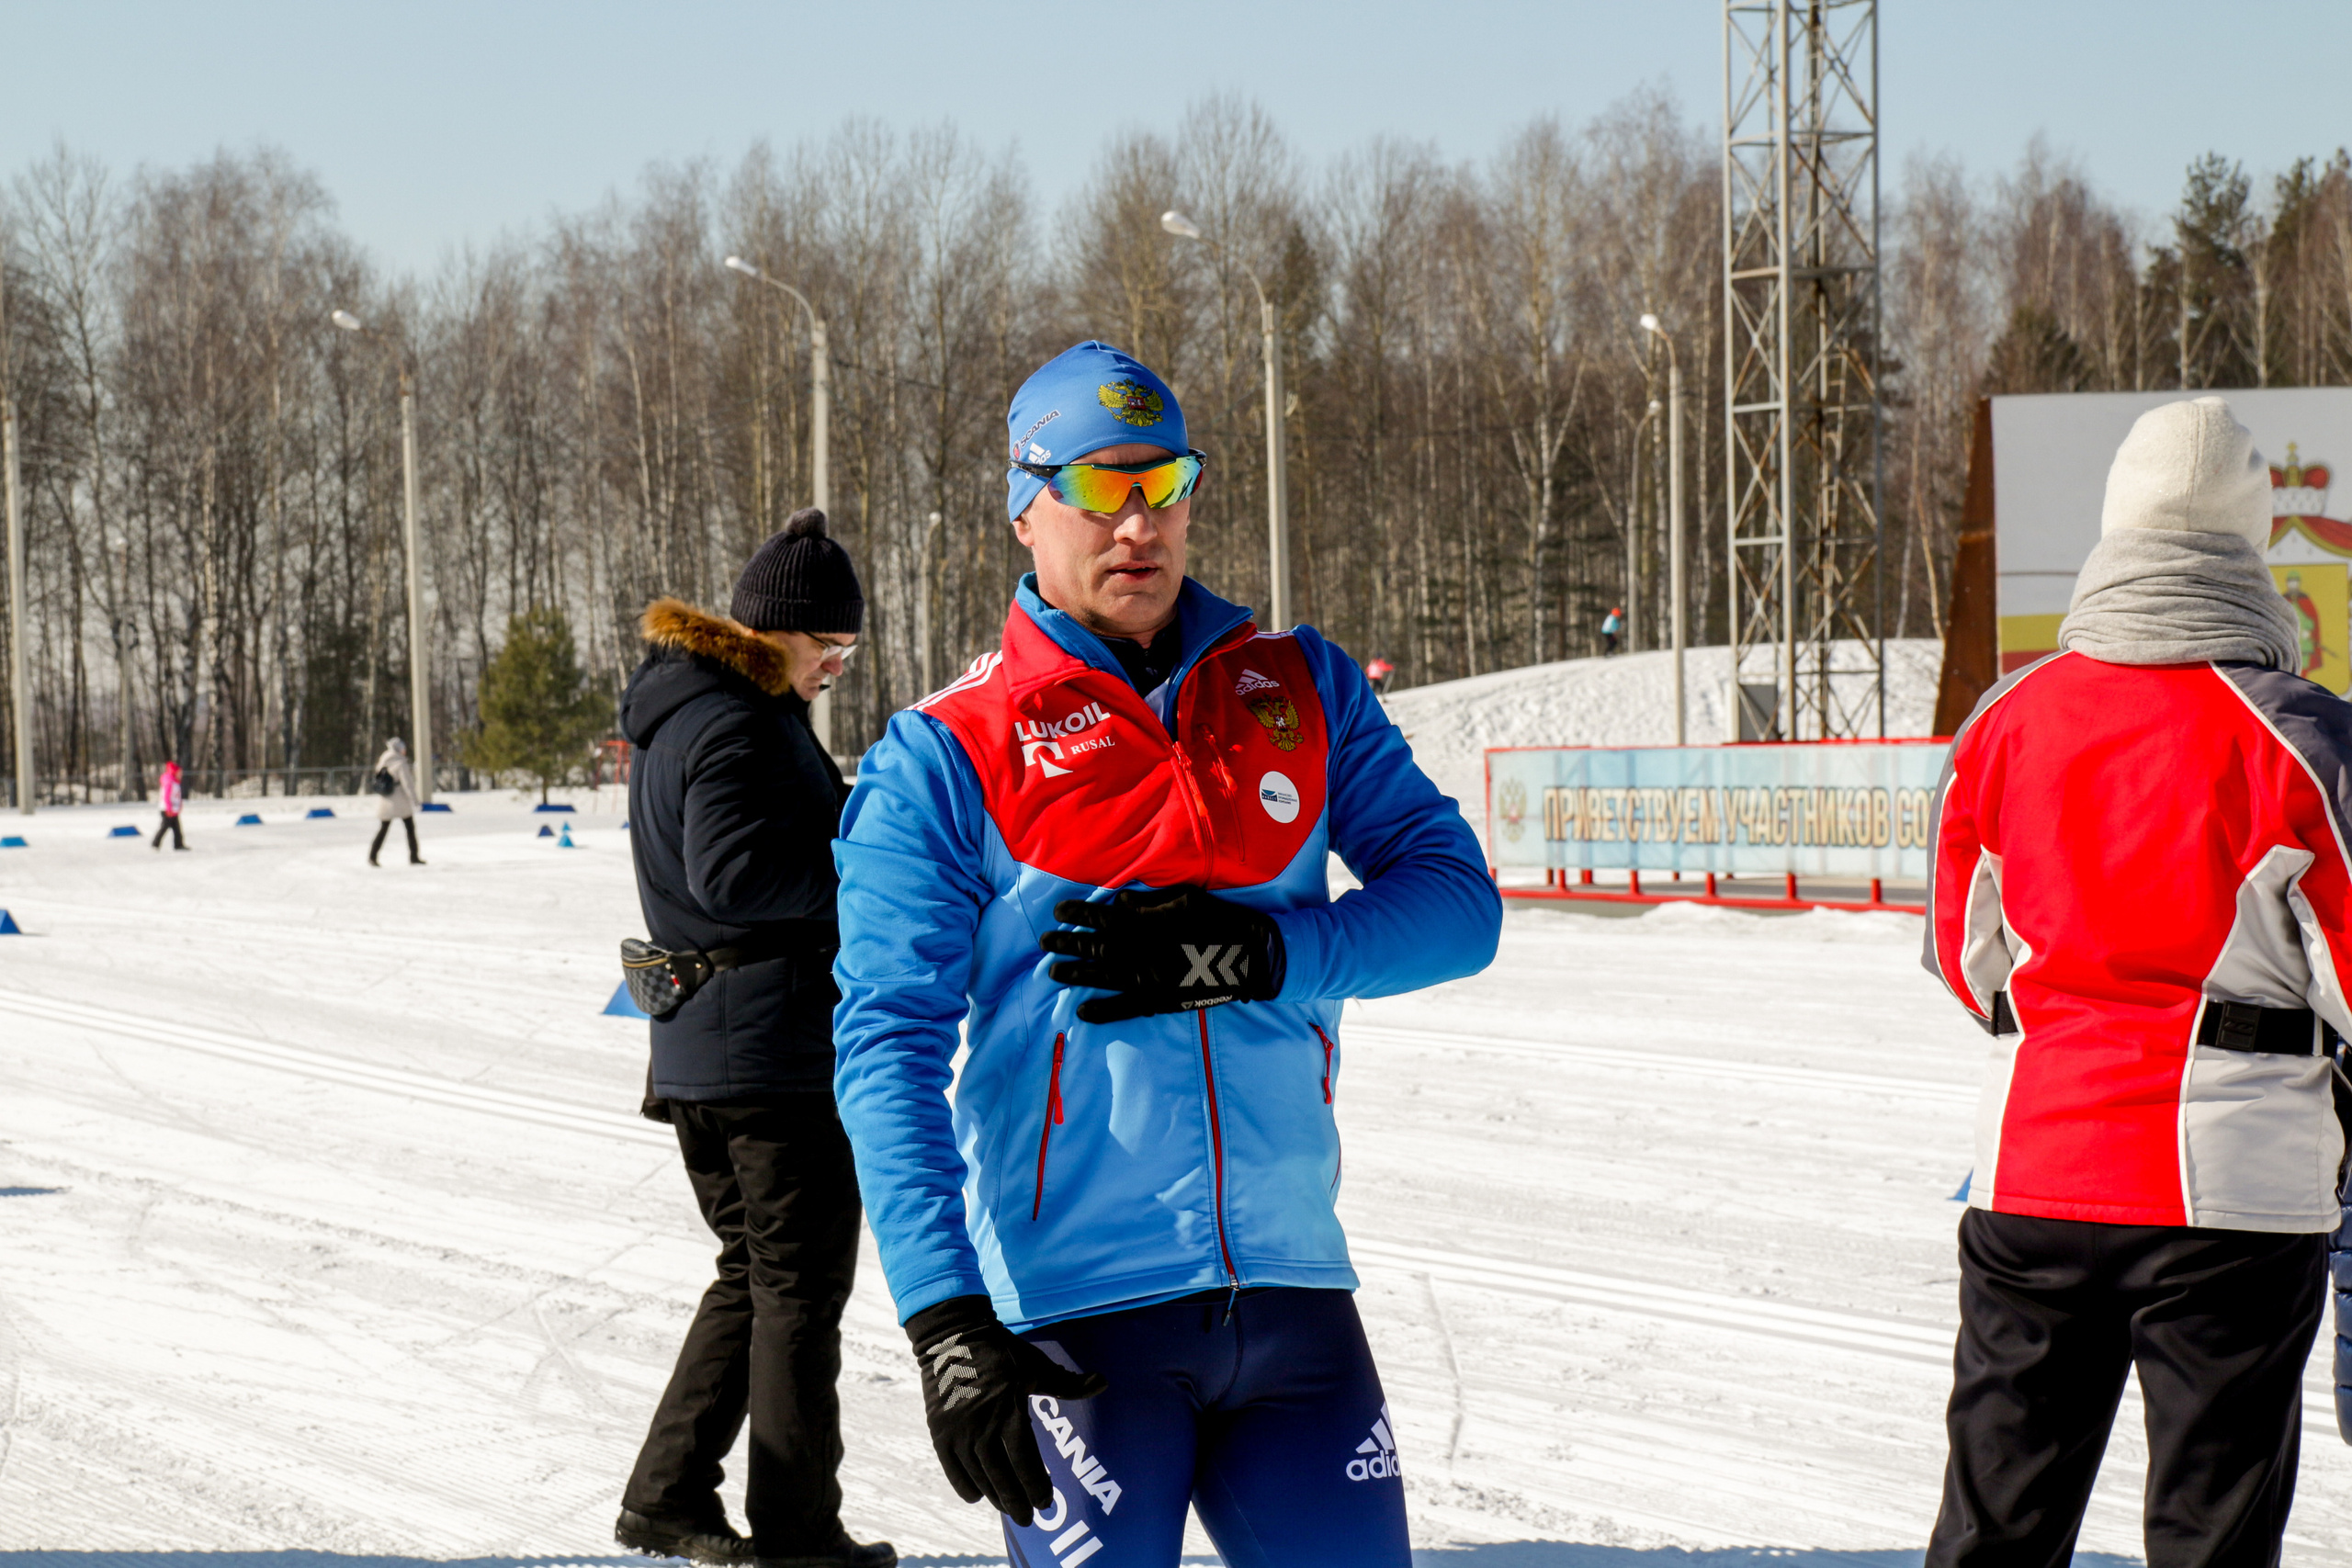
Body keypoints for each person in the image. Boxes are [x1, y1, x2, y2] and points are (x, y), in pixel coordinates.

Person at [832, 341, 1502, 1568]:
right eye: (1098, 486)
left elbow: (1461, 910)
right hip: (1079, 1324)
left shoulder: (1300, 684)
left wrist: (1257, 955)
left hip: (1296, 1297)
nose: (1136, 519)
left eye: (1164, 480)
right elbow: (884, 1048)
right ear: (1024, 507)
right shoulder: (945, 750)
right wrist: (942, 1314)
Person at [1922, 397, 2348, 1568]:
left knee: (1992, 1533)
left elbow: (1966, 961)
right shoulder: (2302, 736)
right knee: (2210, 1543)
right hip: (2233, 1199)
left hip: (2032, 1177)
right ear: (2248, 542)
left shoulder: (2002, 723)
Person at [613, 508, 893, 1568]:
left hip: (715, 1045)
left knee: (754, 1277)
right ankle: (795, 1532)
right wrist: (868, 875)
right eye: (834, 643)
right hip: (763, 1053)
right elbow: (734, 875)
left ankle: (666, 1497)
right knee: (798, 1290)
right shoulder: (732, 720)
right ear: (782, 629)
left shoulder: (701, 709)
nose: (838, 664)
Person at [367, 738, 424, 866]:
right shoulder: (400, 763)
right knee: (410, 828)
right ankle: (414, 856)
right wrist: (415, 801)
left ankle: (372, 856)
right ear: (399, 749)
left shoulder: (383, 760)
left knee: (383, 828)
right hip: (400, 800)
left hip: (385, 800)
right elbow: (408, 784)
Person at [151, 758, 187, 851]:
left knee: (177, 829)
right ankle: (155, 843)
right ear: (175, 772)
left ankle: (178, 844)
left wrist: (179, 805)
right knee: (164, 827)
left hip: (173, 810)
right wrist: (169, 809)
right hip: (167, 810)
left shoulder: (176, 782)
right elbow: (166, 797)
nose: (181, 774)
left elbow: (177, 797)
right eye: (180, 772)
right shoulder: (169, 782)